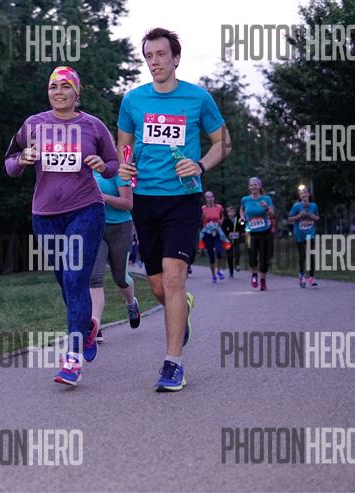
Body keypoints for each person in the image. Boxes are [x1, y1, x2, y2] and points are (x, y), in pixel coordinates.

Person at [117, 28, 231, 392]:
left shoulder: (197, 98)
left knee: (173, 277)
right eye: (149, 56)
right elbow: (123, 147)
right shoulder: (133, 100)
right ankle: (183, 306)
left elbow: (223, 142)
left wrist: (200, 165)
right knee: (158, 287)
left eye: (161, 54)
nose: (155, 62)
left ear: (176, 58)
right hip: (145, 200)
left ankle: (173, 363)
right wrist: (125, 167)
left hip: (183, 199)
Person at [5, 66, 118, 386]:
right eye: (53, 86)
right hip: (45, 215)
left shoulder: (93, 126)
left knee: (76, 278)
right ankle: (87, 328)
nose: (59, 92)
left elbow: (114, 166)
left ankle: (72, 359)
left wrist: (102, 165)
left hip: (86, 209)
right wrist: (22, 160)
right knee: (65, 282)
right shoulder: (33, 124)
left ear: (76, 93)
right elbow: (9, 164)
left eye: (66, 86)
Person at [90, 165, 142, 343]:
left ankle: (131, 303)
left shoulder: (118, 172)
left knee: (120, 278)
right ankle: (94, 326)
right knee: (94, 278)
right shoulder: (85, 171)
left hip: (120, 228)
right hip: (95, 228)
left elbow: (128, 203)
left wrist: (102, 197)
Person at [240, 177, 274, 291]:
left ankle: (263, 280)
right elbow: (242, 209)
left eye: (255, 184)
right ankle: (254, 274)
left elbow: (272, 215)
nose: (253, 187)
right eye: (251, 185)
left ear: (259, 186)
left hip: (264, 231)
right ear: (249, 187)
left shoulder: (266, 199)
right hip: (250, 232)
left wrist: (266, 208)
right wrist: (242, 216)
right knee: (252, 256)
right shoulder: (245, 199)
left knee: (264, 258)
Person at [288, 185, 320, 288]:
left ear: (308, 194)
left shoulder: (313, 206)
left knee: (311, 254)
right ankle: (302, 275)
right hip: (299, 234)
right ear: (300, 196)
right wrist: (299, 216)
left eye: (305, 192)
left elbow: (317, 218)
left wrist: (313, 216)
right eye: (301, 193)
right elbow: (290, 219)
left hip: (310, 233)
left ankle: (312, 277)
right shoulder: (296, 206)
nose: (303, 195)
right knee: (302, 255)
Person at [198, 191, 229, 283]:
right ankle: (213, 275)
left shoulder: (219, 207)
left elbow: (222, 216)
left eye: (211, 197)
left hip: (217, 232)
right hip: (207, 233)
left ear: (214, 198)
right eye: (208, 197)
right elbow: (200, 220)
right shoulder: (203, 209)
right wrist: (204, 222)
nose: (210, 199)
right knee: (211, 256)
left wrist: (221, 222)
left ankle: (219, 270)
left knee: (219, 252)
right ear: (205, 199)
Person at [222, 206, 245, 278]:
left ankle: (237, 264)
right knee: (230, 255)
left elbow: (242, 225)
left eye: (233, 212)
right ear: (227, 213)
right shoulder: (226, 220)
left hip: (236, 239)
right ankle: (231, 271)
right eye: (230, 212)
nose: (232, 213)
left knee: (237, 251)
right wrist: (226, 236)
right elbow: (223, 229)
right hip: (228, 240)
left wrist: (242, 222)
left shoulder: (237, 219)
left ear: (235, 213)